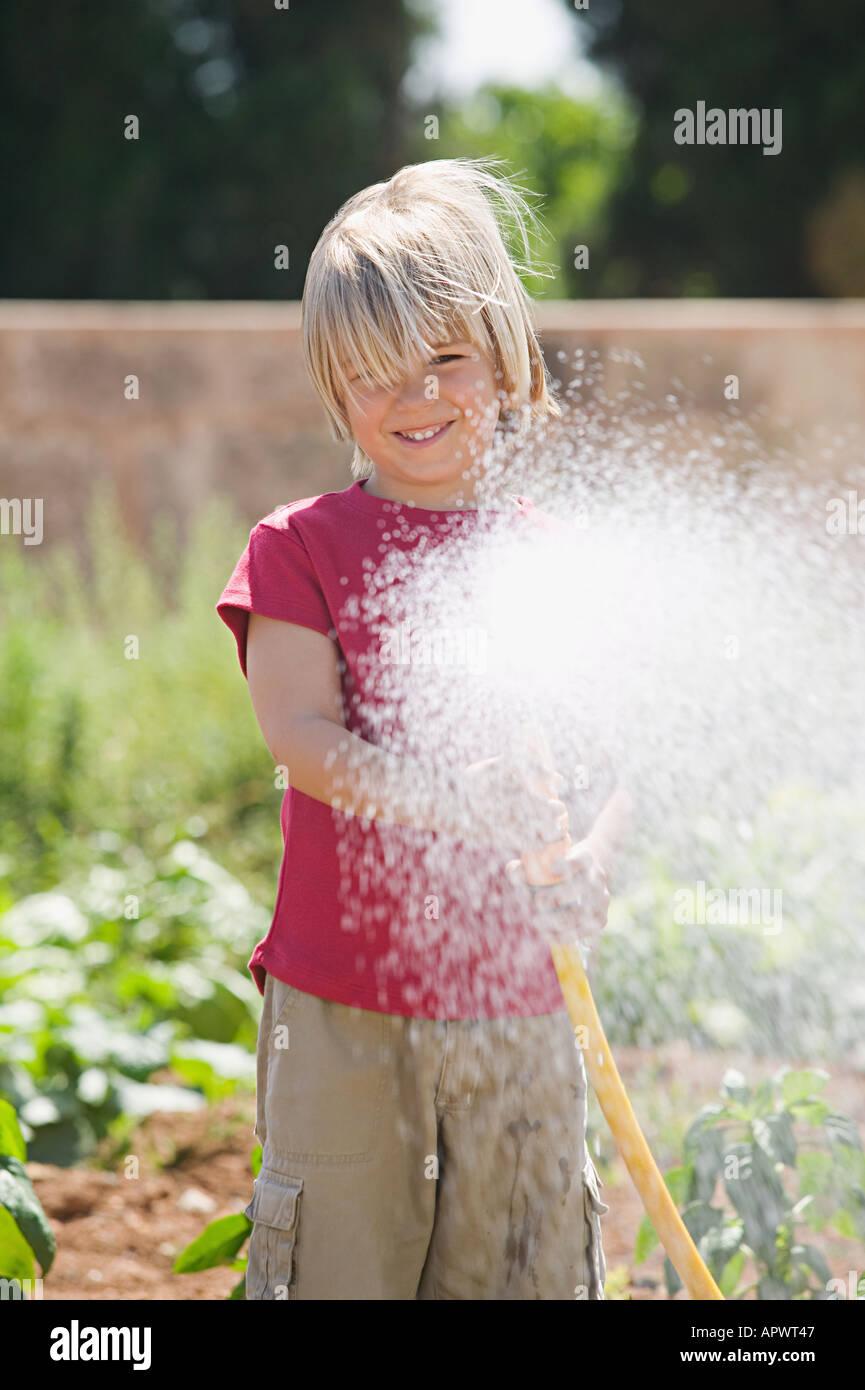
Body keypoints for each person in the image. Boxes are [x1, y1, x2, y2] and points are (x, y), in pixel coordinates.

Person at [217, 157, 628, 1300]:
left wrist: (594, 860)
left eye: (444, 356)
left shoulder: (555, 559)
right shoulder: (298, 546)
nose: (417, 397)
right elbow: (300, 735)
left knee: (523, 1273)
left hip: (520, 1003)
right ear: (331, 388)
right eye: (371, 374)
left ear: (501, 354)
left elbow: (621, 760)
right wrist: (457, 805)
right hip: (341, 1015)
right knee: (342, 1261)